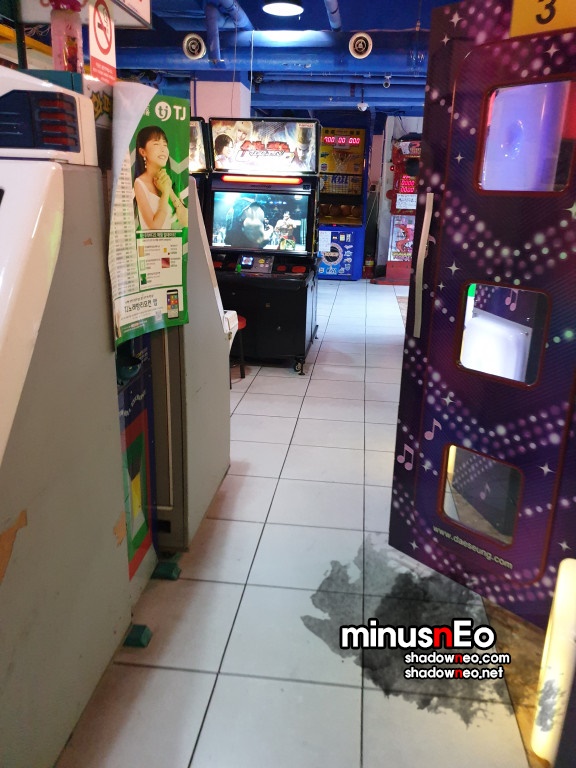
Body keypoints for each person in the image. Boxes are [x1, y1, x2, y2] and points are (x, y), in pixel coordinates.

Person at [133, 125, 188, 230]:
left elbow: (185, 222)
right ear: (143, 152)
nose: (163, 149)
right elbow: (155, 226)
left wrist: (169, 190)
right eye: (156, 144)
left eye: (165, 144)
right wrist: (165, 194)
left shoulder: (169, 181)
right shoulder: (139, 183)